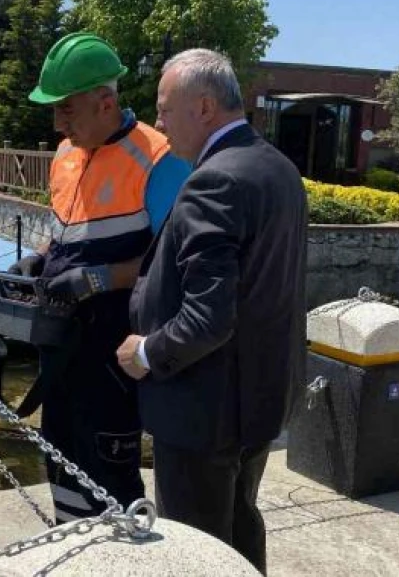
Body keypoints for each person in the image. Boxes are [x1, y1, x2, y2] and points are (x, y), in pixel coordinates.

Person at [116, 48, 307, 574]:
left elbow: (209, 315)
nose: (157, 122)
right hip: (259, 398)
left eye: (164, 108)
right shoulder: (280, 169)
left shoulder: (213, 180)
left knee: (196, 550)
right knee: (241, 525)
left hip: (203, 411)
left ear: (202, 107)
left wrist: (148, 352)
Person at [7, 32, 191, 524]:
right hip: (61, 346)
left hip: (113, 357)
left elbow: (171, 265)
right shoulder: (68, 155)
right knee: (61, 459)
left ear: (105, 102)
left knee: (109, 471)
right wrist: (39, 258)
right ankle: (71, 542)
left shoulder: (160, 160)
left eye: (66, 110)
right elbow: (66, 230)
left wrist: (97, 279)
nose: (57, 123)